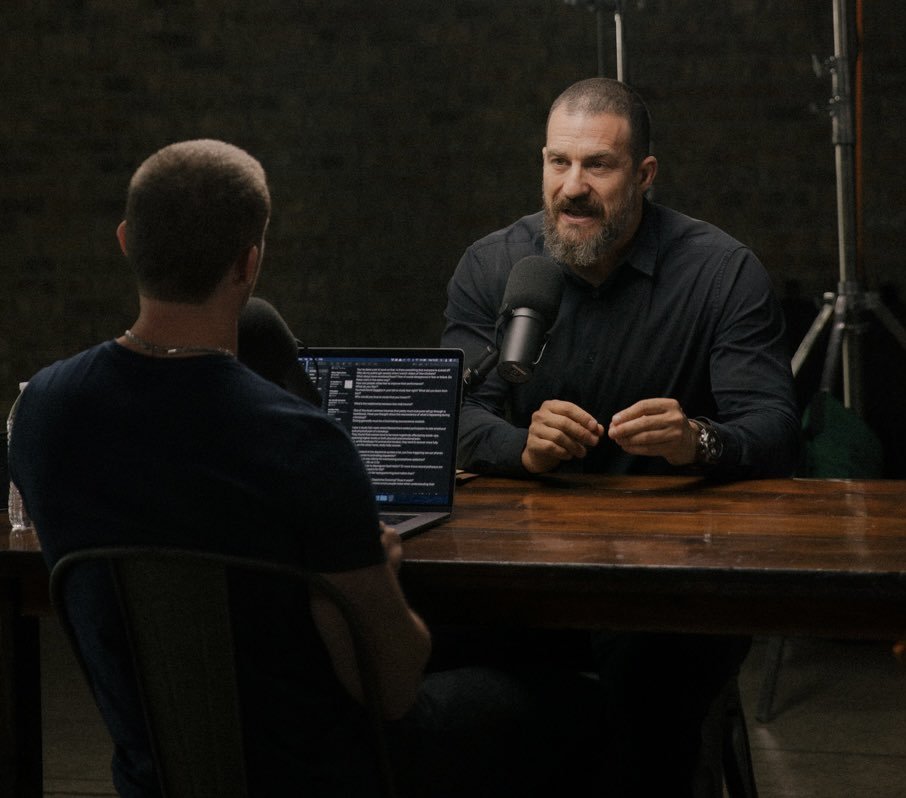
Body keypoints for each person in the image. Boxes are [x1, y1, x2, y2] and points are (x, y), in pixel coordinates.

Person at [9, 140, 600, 797]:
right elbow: (393, 687)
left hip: (154, 774)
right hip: (324, 775)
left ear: (126, 241)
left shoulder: (41, 412)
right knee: (570, 699)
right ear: (249, 263)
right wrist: (375, 571)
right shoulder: (301, 441)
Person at [441, 78, 801, 796]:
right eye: (558, 162)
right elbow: (454, 414)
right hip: (530, 573)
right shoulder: (494, 267)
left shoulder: (721, 272)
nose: (572, 187)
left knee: (647, 686)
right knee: (430, 650)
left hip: (673, 578)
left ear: (644, 174)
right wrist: (520, 448)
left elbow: (773, 425)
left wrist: (696, 438)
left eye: (598, 165)